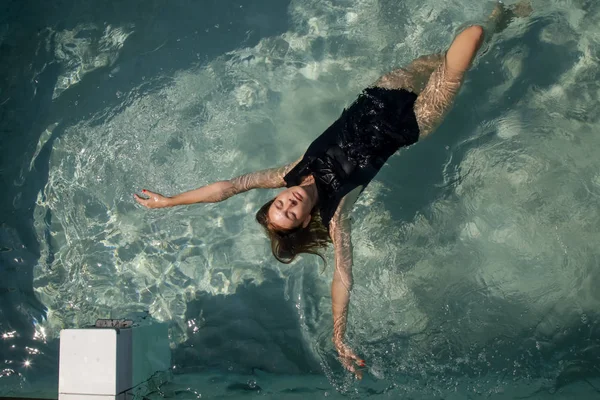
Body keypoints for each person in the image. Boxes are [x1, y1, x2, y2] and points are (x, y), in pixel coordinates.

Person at [135, 2, 531, 379]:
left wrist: (170, 201)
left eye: (278, 205)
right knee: (471, 36)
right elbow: (343, 276)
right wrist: (338, 336)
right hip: (414, 119)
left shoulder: (290, 173)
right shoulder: (339, 213)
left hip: (382, 94)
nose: (287, 203)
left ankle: (506, 16)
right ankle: (497, 22)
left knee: (458, 46)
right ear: (306, 219)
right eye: (289, 214)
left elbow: (229, 187)